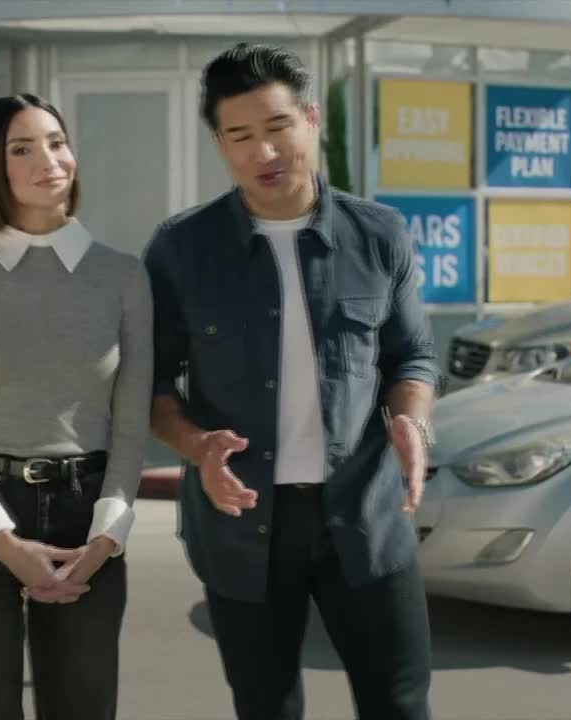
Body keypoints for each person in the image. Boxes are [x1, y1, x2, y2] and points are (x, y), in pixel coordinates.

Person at [143, 43, 441, 720]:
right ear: (220, 144)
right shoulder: (182, 250)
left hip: (365, 515)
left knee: (400, 704)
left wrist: (412, 423)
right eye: (241, 137)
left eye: (277, 128)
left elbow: (413, 358)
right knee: (265, 708)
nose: (264, 153)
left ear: (310, 119)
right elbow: (155, 390)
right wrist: (196, 449)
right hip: (242, 526)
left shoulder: (380, 234)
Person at [0, 93, 153, 720]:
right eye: (22, 148)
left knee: (83, 705)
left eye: (56, 141)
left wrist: (106, 538)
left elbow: (131, 426)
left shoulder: (123, 277)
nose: (48, 159)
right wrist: (2, 540)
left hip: (90, 520)